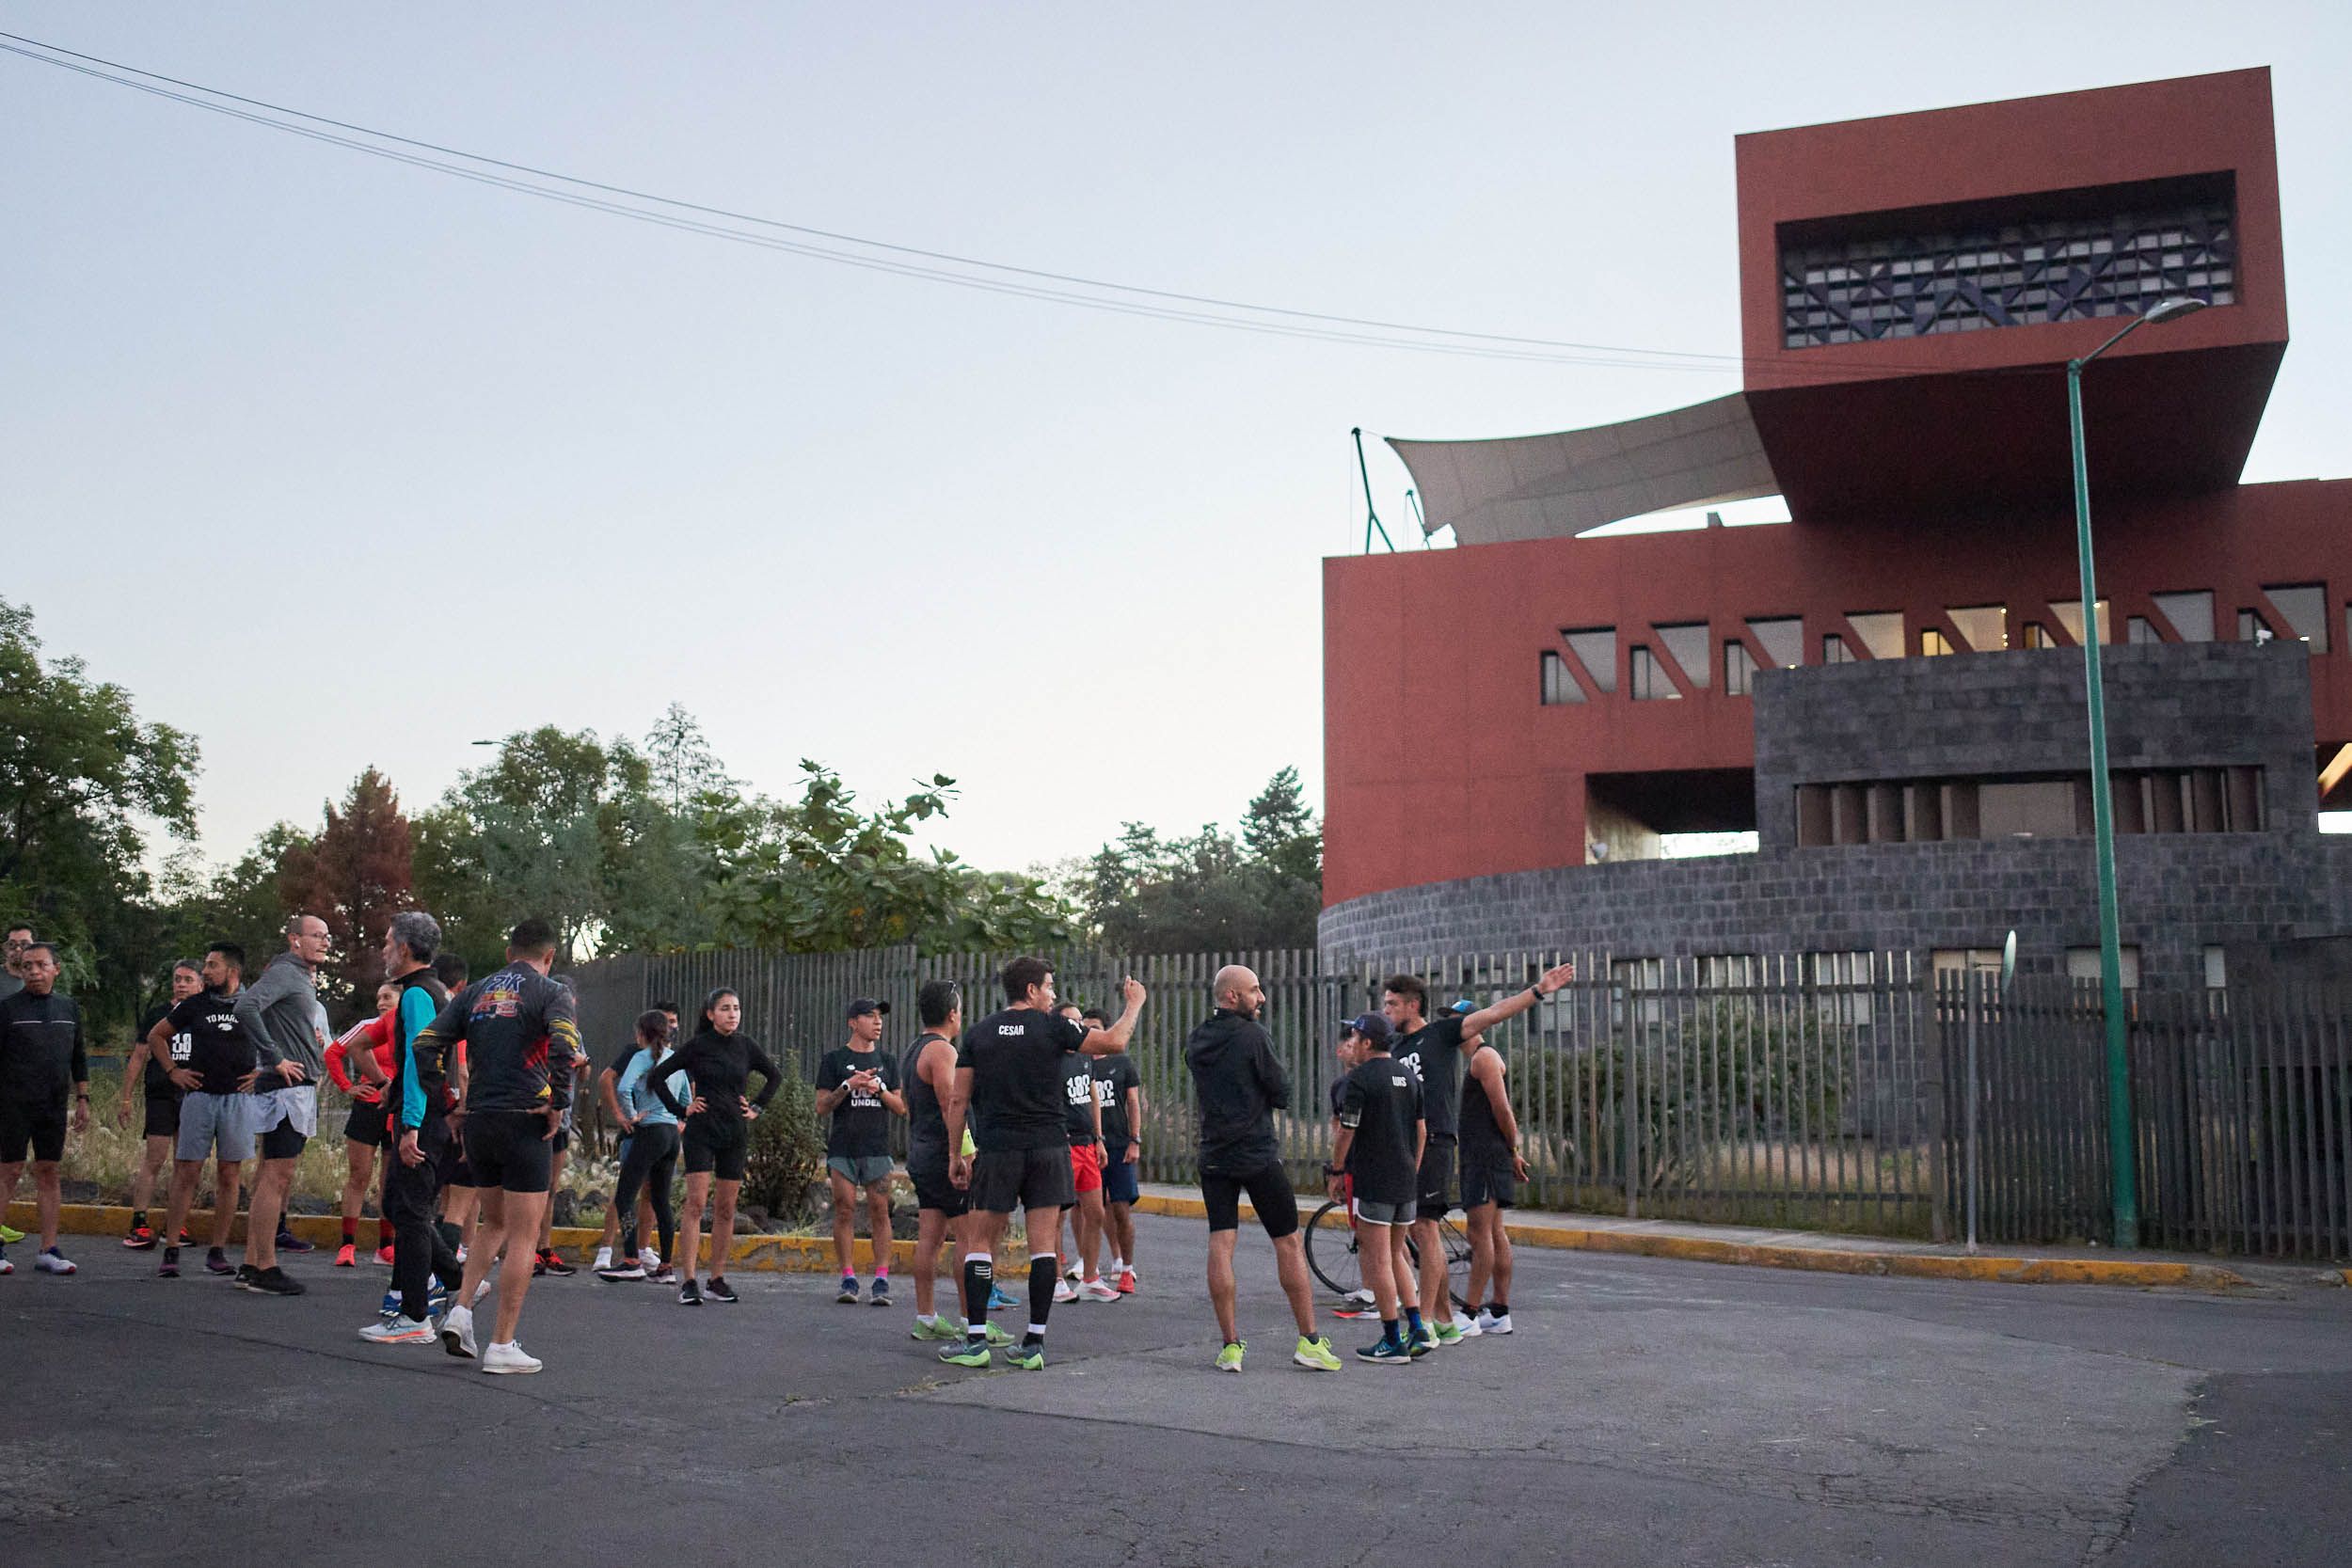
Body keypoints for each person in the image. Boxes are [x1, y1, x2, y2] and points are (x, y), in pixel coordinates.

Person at [936, 959, 1145, 1371]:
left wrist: (955, 1155)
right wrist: (1134, 1004)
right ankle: (1034, 1343)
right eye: (1049, 987)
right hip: (1049, 1149)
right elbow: (1115, 1041)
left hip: (998, 1149)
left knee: (980, 1243)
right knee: (1043, 1246)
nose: (1053, 994)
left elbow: (958, 1100)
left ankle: (975, 1342)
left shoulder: (979, 1033)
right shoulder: (1055, 1027)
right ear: (1031, 990)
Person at [1383, 962, 1575, 1349]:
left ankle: (1430, 1322)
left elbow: (1493, 1013)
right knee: (1416, 1230)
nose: (1385, 1010)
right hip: (1406, 1145)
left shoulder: (1442, 1035)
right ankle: (1444, 1320)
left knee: (1427, 1227)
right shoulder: (1396, 1049)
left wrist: (1538, 991)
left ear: (1412, 1005)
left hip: (1436, 1141)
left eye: (1391, 1004)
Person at [422, 920, 580, 1372]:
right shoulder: (552, 991)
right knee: (524, 1236)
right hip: (525, 1120)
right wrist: (558, 1102)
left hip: (479, 1120)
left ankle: (460, 1311)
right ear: (549, 956)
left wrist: (447, 1102)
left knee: (493, 1222)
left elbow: (425, 1043)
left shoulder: (474, 993)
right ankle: (502, 1344)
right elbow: (564, 1046)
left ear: (509, 951)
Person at [1184, 964, 1340, 1373]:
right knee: (1287, 1241)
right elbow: (1281, 1090)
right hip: (1257, 1153)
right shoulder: (1252, 1035)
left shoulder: (1197, 1038)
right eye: (1254, 990)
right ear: (1232, 996)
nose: (1262, 998)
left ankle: (1230, 1346)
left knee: (1221, 1243)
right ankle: (1309, 1341)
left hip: (1214, 1155)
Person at [359, 911, 460, 1346]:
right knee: (400, 1205)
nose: (383, 950)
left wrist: (411, 1126)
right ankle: (457, 1280)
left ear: (404, 948)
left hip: (422, 1119)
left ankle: (416, 1315)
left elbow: (423, 1060)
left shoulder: (418, 993)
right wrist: (394, 1089)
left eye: (387, 943)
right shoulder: (434, 990)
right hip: (427, 1113)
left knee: (412, 1213)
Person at [647, 986, 781, 1307]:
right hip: (701, 1132)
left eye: (736, 1008)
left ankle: (716, 1279)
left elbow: (774, 1076)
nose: (732, 1014)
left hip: (734, 1133)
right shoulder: (698, 1046)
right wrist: (682, 1110)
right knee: (695, 1204)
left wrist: (757, 1107)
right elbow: (657, 1078)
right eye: (725, 1008)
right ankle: (689, 1281)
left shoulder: (746, 1045)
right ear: (710, 1014)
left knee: (726, 1209)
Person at [900, 980, 1012, 1348]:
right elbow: (952, 1104)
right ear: (953, 1014)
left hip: (921, 1153)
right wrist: (962, 1155)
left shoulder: (913, 1050)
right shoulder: (942, 1051)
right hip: (944, 1157)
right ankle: (971, 1322)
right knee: (969, 1238)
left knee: (929, 1237)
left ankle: (926, 1318)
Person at [231, 913, 334, 1292]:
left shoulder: (300, 977)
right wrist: (275, 1057)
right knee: (278, 1175)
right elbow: (245, 1007)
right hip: (285, 1088)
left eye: (327, 936)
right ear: (295, 940)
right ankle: (266, 1268)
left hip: (292, 1087)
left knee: (267, 1175)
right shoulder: (286, 972)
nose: (324, 942)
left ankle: (250, 1263)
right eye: (316, 935)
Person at [152, 942, 259, 1281]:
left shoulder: (253, 1003)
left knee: (229, 1175)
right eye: (206, 965)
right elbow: (157, 1036)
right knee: (187, 1172)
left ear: (232, 970)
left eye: (213, 966)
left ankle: (217, 1252)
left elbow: (278, 1041)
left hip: (238, 1100)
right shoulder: (195, 1004)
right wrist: (173, 1071)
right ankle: (171, 1249)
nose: (206, 972)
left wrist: (262, 1072)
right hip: (199, 1097)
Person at [1330, 1014, 1426, 1365]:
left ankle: (1392, 1340)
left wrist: (1336, 1170)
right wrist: (1412, 1169)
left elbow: (1347, 1130)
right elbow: (1421, 1131)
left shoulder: (1359, 1079)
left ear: (1368, 1043)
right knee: (1397, 1253)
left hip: (1374, 1179)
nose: (1352, 1043)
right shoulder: (1409, 1076)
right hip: (1405, 1180)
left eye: (1356, 1037)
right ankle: (1417, 1328)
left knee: (1379, 1259)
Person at [0, 941, 88, 1275]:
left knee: (49, 1170)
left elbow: (78, 1056)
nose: (34, 972)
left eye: (41, 965)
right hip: (13, 1105)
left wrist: (83, 1099)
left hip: (53, 1105)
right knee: (9, 1171)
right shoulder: (7, 1009)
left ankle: (48, 1250)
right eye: (27, 966)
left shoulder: (69, 1008)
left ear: (56, 969)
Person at [817, 997, 904, 1306]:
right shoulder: (834, 1060)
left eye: (880, 1016)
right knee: (845, 1209)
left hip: (877, 1149)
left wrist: (879, 1090)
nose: (878, 1022)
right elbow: (821, 1107)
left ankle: (881, 1279)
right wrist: (848, 1086)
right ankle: (848, 1278)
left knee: (881, 1210)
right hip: (843, 1149)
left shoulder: (888, 1062)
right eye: (870, 1016)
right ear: (853, 1022)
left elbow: (901, 1107)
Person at [119, 959, 204, 1249]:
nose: (181, 984)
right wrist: (126, 1098)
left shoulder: (204, 1014)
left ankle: (174, 1224)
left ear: (201, 984)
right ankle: (138, 1223)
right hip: (161, 1094)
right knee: (155, 1158)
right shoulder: (158, 1014)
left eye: (188, 980)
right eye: (177, 979)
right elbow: (138, 1056)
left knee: (186, 1163)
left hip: (193, 1095)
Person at [596, 1010, 683, 1284]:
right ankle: (666, 1266)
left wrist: (629, 1116)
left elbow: (623, 1089)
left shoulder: (641, 1057)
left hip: (649, 1131)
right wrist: (676, 1119)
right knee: (661, 1200)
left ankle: (632, 1259)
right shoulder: (676, 1059)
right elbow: (686, 1098)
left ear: (641, 1035)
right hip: (671, 1134)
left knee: (625, 1196)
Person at [1459, 1026, 1530, 1336]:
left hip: (1484, 1158)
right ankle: (1499, 1312)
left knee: (1480, 1234)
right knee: (1494, 1231)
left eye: (1461, 1022)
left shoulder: (1484, 1057)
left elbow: (1503, 1109)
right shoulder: (1481, 1058)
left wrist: (1513, 1149)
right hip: (1488, 1156)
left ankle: (1469, 1314)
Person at [326, 981, 402, 1266]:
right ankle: (347, 1245)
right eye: (378, 997)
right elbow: (332, 1052)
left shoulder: (408, 1027)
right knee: (359, 1175)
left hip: (396, 1109)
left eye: (388, 997)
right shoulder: (367, 1026)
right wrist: (347, 1086)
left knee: (389, 1181)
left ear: (401, 999)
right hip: (367, 1106)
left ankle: (386, 1246)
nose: (381, 1002)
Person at [1054, 1006, 1118, 1304]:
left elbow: (1093, 1095)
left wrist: (1099, 1138)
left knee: (1096, 1211)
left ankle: (1090, 1278)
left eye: (1081, 1021)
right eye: (1073, 1021)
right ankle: (1055, 1279)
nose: (1079, 1026)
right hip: (1062, 1145)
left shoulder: (1084, 1056)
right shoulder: (1051, 1058)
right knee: (1057, 1215)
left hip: (1087, 1144)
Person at [1089, 1006, 1144, 1294]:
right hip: (1089, 1147)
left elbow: (1133, 1102)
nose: (1090, 1033)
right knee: (1094, 1210)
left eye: (1095, 1028)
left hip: (1119, 1145)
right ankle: (1093, 1268)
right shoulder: (1080, 1063)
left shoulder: (1121, 1063)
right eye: (1085, 1028)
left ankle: (1126, 1268)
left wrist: (1135, 1140)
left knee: (1121, 1209)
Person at [428, 953, 477, 1262]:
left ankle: (429, 1268)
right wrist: (465, 1111)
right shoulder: (456, 1015)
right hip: (457, 1112)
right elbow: (463, 1070)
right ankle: (445, 1270)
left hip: (429, 1110)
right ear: (461, 985)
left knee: (439, 1201)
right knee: (459, 1204)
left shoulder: (421, 1005)